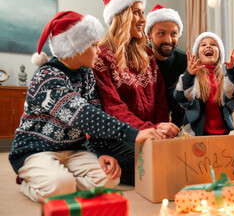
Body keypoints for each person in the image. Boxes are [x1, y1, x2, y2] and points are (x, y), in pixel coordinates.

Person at [8, 11, 165, 202]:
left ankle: (61, 181)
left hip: (74, 150)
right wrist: (134, 133)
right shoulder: (47, 76)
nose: (98, 51)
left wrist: (101, 153)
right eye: (93, 46)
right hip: (36, 151)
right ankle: (32, 182)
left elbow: (95, 114)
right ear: (77, 47)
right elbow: (82, 114)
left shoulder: (87, 75)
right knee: (60, 186)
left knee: (109, 179)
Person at [91, 0, 179, 185]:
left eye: (143, 12)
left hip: (149, 131)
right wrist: (146, 131)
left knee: (176, 156)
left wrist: (159, 130)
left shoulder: (147, 55)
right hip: (118, 136)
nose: (143, 19)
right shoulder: (101, 57)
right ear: (120, 16)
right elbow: (113, 108)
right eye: (136, 12)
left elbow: (160, 102)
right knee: (152, 167)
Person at [174, 32, 234, 136]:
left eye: (213, 44)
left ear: (219, 54)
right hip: (196, 135)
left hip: (224, 134)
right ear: (197, 54)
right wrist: (189, 76)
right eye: (203, 44)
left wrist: (232, 71)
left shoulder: (226, 80)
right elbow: (183, 98)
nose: (208, 46)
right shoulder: (193, 80)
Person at [145, 4, 187, 127]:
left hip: (176, 125)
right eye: (161, 33)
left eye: (174, 34)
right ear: (149, 35)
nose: (168, 40)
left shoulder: (184, 60)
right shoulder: (139, 58)